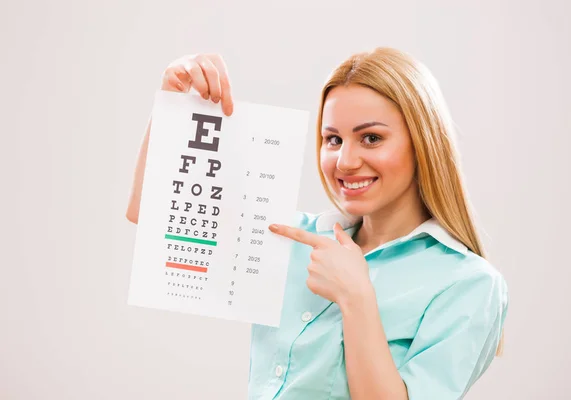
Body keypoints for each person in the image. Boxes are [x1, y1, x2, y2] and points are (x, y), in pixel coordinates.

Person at [126, 47, 508, 400]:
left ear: (423, 143)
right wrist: (172, 104)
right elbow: (151, 216)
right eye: (333, 139)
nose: (344, 162)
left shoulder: (468, 283)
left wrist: (355, 298)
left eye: (371, 138)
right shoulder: (291, 238)